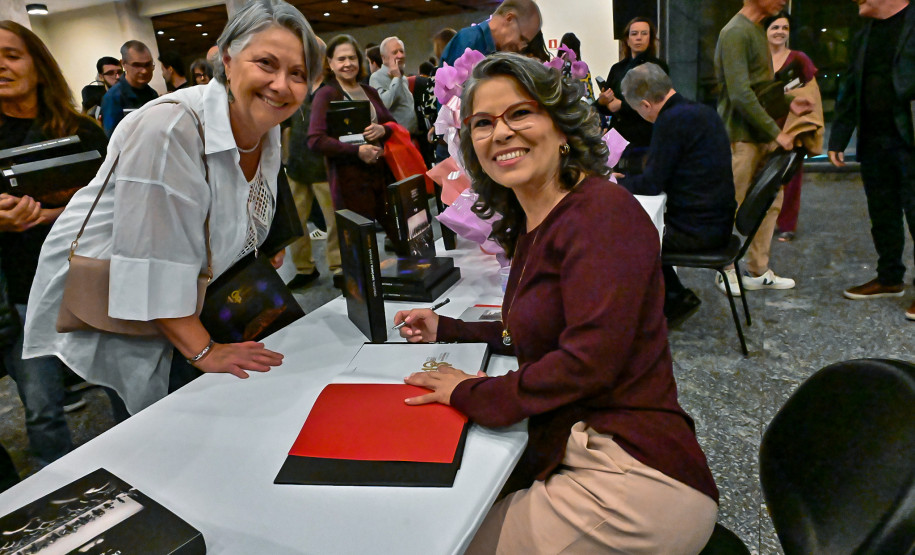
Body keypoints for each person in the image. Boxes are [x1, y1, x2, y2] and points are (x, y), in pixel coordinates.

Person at [394, 52, 718, 554]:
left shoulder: (602, 214)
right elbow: (549, 327)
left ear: (563, 128)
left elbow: (587, 360)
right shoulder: (538, 220)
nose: (501, 132)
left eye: (520, 113)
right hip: (588, 452)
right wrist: (450, 330)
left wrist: (471, 393)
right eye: (483, 123)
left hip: (633, 482)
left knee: (446, 539)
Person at [23, 0, 324, 418]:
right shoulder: (172, 127)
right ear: (229, 60)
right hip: (127, 305)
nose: (281, 84)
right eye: (267, 63)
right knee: (159, 426)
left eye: (298, 74)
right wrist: (204, 351)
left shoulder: (265, 129)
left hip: (188, 299)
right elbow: (151, 262)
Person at [0, 20, 109, 466]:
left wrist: (50, 214)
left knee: (124, 382)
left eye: (11, 54)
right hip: (26, 289)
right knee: (43, 408)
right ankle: (60, 489)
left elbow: (115, 201)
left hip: (93, 278)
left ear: (38, 65)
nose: (1, 66)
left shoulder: (84, 131)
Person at [617, 62, 736, 324]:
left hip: (698, 231)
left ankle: (666, 303)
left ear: (646, 105)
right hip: (719, 221)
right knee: (643, 228)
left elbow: (651, 184)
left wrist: (612, 185)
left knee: (625, 236)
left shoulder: (670, 121)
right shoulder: (700, 110)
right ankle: (674, 296)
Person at [714, 0, 812, 294]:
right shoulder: (734, 32)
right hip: (739, 136)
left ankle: (757, 269)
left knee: (770, 202)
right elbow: (740, 94)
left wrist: (787, 102)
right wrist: (776, 132)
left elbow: (759, 89)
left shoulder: (756, 31)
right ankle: (724, 270)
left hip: (760, 135)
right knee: (730, 204)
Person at [828, 0, 915, 320]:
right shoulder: (864, 34)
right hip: (875, 140)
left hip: (911, 140)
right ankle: (890, 278)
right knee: (883, 214)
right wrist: (839, 135)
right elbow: (850, 87)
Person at [307, 35, 398, 246]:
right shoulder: (326, 95)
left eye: (352, 58)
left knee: (400, 234)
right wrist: (356, 151)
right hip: (350, 181)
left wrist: (382, 130)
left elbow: (392, 125)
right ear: (330, 63)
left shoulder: (369, 91)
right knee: (361, 248)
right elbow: (315, 139)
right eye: (341, 59)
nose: (347, 64)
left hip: (382, 176)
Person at [283, 41, 342, 290]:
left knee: (334, 220)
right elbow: (285, 123)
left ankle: (339, 266)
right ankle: (304, 268)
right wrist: (285, 158)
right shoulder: (294, 84)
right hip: (296, 163)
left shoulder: (332, 88)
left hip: (323, 163)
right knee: (295, 222)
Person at [765, 12, 820, 242]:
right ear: (765, 31)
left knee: (791, 177)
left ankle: (787, 225)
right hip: (764, 126)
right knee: (763, 177)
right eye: (775, 27)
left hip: (792, 126)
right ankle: (762, 224)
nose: (779, 32)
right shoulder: (758, 60)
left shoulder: (799, 59)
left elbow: (811, 91)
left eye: (784, 28)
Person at [595, 17, 668, 174]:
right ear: (627, 39)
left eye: (644, 33)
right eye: (634, 34)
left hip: (645, 135)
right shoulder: (617, 68)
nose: (639, 37)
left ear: (651, 38)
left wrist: (622, 106)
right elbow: (607, 107)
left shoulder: (657, 67)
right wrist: (602, 102)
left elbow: (657, 102)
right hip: (618, 135)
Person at [439, 0, 542, 66]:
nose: (521, 47)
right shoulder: (469, 41)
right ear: (509, 18)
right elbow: (454, 97)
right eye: (522, 38)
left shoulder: (495, 49)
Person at [100, 40, 158, 136]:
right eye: (137, 65)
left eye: (148, 64)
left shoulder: (152, 94)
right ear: (124, 64)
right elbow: (113, 139)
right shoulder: (113, 97)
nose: (144, 71)